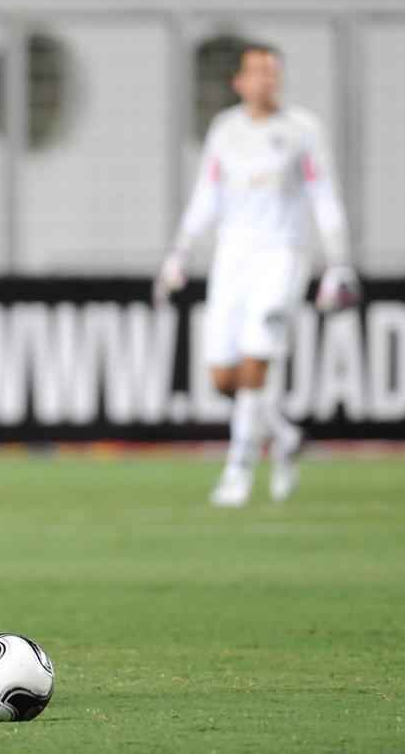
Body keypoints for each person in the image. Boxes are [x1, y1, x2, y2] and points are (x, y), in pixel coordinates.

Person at [154, 42, 360, 508]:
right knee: (224, 378)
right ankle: (284, 435)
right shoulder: (225, 131)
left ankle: (238, 471)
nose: (266, 81)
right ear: (239, 82)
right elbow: (207, 195)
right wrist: (179, 253)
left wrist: (338, 263)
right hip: (232, 260)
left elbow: (323, 196)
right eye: (257, 73)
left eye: (273, 73)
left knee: (255, 363)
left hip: (281, 258)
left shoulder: (302, 131)